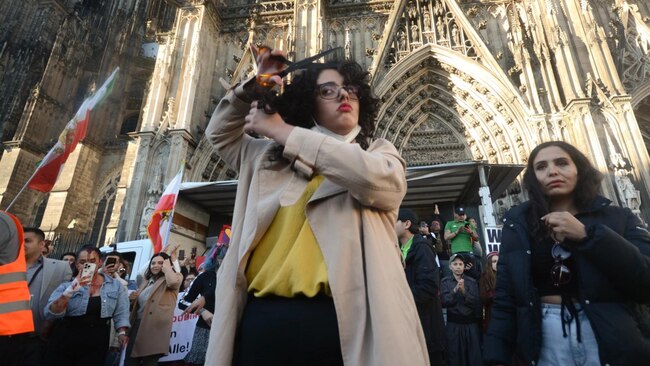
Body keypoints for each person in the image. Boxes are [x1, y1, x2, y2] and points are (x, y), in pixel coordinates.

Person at [204, 46, 429, 365]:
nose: (343, 96)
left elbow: (382, 184)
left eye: (351, 89)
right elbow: (219, 134)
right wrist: (259, 84)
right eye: (328, 90)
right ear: (308, 101)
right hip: (263, 323)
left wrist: (283, 130)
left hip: (343, 325)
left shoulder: (378, 154)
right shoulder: (266, 157)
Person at [483, 141, 650, 365]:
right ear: (532, 178)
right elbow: (506, 301)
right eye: (541, 167)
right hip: (542, 336)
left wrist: (587, 235)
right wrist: (495, 358)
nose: (552, 171)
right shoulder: (519, 225)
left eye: (562, 163)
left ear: (579, 169)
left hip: (609, 335)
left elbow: (645, 283)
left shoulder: (619, 217)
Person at [43, 245, 130, 366]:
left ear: (100, 262)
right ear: (77, 265)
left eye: (92, 261)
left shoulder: (115, 286)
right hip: (67, 335)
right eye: (82, 262)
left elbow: (122, 312)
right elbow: (51, 312)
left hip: (97, 338)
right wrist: (72, 288)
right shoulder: (66, 285)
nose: (87, 265)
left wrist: (121, 333)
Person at [0, 227, 71, 366]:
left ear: (42, 244)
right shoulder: (6, 265)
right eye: (20, 241)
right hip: (5, 334)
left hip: (36, 336)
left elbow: (64, 299)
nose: (22, 244)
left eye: (27, 241)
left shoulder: (60, 268)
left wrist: (49, 323)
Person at [396, 208, 446, 365]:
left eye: (393, 221)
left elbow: (428, 286)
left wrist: (402, 301)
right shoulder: (399, 249)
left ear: (407, 224)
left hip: (427, 326)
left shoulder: (422, 247)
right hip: (411, 323)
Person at [125, 251, 182, 365]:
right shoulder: (146, 281)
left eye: (160, 263)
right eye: (153, 263)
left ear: (167, 264)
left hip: (154, 329)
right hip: (138, 326)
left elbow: (173, 282)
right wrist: (132, 299)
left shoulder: (174, 277)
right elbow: (139, 304)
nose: (156, 265)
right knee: (130, 362)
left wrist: (168, 267)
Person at [180, 246, 221, 365]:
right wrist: (202, 311)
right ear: (215, 258)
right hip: (204, 331)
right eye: (220, 256)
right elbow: (183, 302)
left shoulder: (239, 277)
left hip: (229, 329)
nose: (223, 260)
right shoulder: (204, 276)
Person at [441, 254, 482, 366]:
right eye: (455, 264)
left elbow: (475, 303)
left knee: (473, 358)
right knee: (455, 358)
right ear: (450, 267)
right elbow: (444, 302)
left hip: (470, 326)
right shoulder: (445, 282)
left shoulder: (472, 281)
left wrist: (464, 292)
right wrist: (455, 290)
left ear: (464, 266)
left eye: (460, 264)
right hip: (453, 326)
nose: (458, 267)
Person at [479, 251, 498, 333]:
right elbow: (483, 298)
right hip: (492, 315)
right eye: (494, 261)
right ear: (490, 263)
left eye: (499, 261)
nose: (497, 263)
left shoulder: (506, 276)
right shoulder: (484, 277)